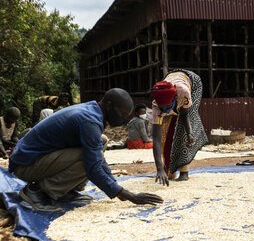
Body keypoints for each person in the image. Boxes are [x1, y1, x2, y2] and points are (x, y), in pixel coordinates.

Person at [8, 88, 163, 211]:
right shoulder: (89, 121)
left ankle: (63, 191)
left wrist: (114, 183)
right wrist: (128, 195)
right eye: (122, 114)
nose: (123, 119)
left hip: (36, 159)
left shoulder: (93, 110)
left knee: (101, 142)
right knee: (87, 159)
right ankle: (36, 191)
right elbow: (93, 168)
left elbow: (97, 154)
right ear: (109, 106)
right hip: (25, 165)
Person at [151, 69, 208, 185]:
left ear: (175, 99)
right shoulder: (156, 105)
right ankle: (169, 170)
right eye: (162, 107)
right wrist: (159, 168)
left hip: (192, 82)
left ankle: (184, 172)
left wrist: (189, 134)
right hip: (171, 77)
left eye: (167, 106)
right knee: (164, 131)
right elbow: (156, 139)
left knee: (182, 129)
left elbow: (184, 115)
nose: (164, 110)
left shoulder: (184, 93)